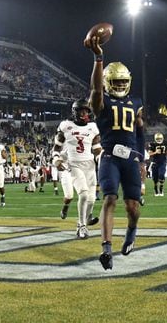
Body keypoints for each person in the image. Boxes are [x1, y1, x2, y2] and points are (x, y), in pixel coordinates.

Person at [86, 34, 144, 270]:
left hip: (130, 158)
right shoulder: (101, 101)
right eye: (115, 82)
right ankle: (106, 248)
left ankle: (131, 231)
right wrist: (98, 58)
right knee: (109, 199)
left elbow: (140, 132)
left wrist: (142, 159)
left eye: (123, 82)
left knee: (133, 208)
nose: (119, 85)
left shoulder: (137, 103)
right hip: (109, 157)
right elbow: (96, 90)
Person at [52, 98, 102, 239]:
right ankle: (81, 226)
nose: (84, 113)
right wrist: (56, 158)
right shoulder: (66, 125)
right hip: (73, 164)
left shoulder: (93, 127)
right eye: (81, 111)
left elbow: (97, 148)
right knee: (83, 194)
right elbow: (57, 146)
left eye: (86, 111)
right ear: (75, 112)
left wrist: (101, 159)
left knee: (91, 199)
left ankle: (85, 220)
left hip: (90, 165)